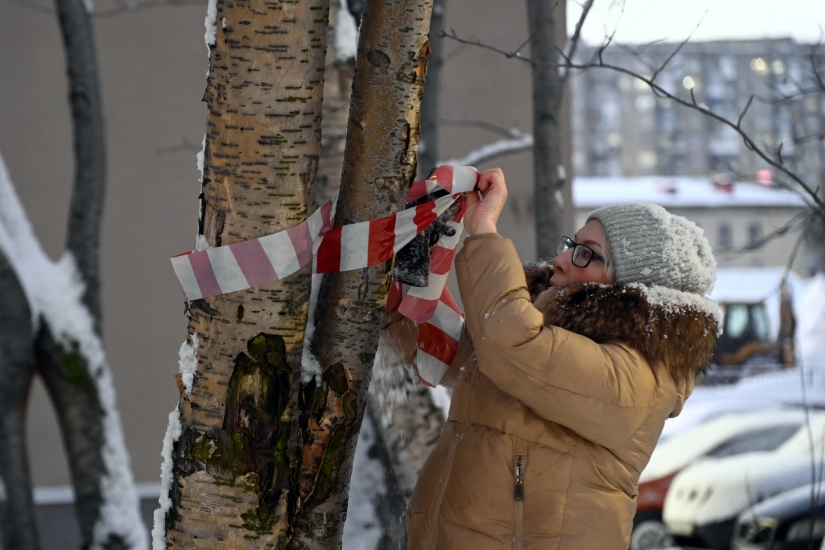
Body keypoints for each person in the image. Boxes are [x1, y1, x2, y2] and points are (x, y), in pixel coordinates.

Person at [384, 168, 721, 550]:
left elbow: (510, 342)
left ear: (627, 286)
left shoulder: (637, 378)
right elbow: (447, 352)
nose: (561, 259)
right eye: (570, 245)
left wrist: (484, 232)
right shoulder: (541, 348)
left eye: (585, 254)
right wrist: (410, 267)